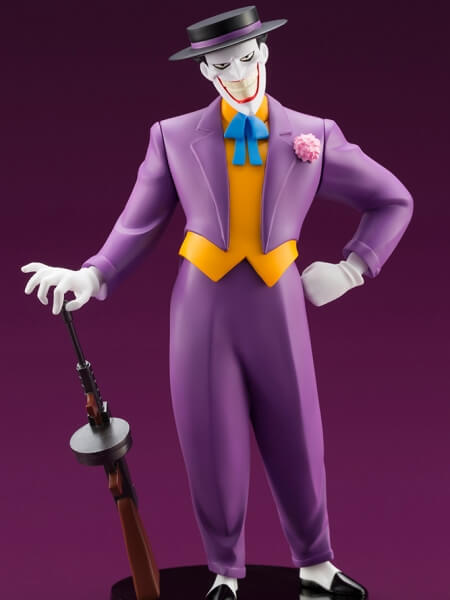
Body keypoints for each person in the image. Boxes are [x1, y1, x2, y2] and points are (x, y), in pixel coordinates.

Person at [22, 7, 413, 600]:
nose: (240, 74)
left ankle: (316, 563)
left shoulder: (314, 132)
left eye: (248, 59)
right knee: (210, 437)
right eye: (224, 65)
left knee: (299, 431)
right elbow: (138, 222)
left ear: (265, 53)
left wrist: (353, 268)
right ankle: (224, 570)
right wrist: (92, 273)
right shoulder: (173, 136)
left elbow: (393, 199)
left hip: (279, 300)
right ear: (206, 70)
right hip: (202, 306)